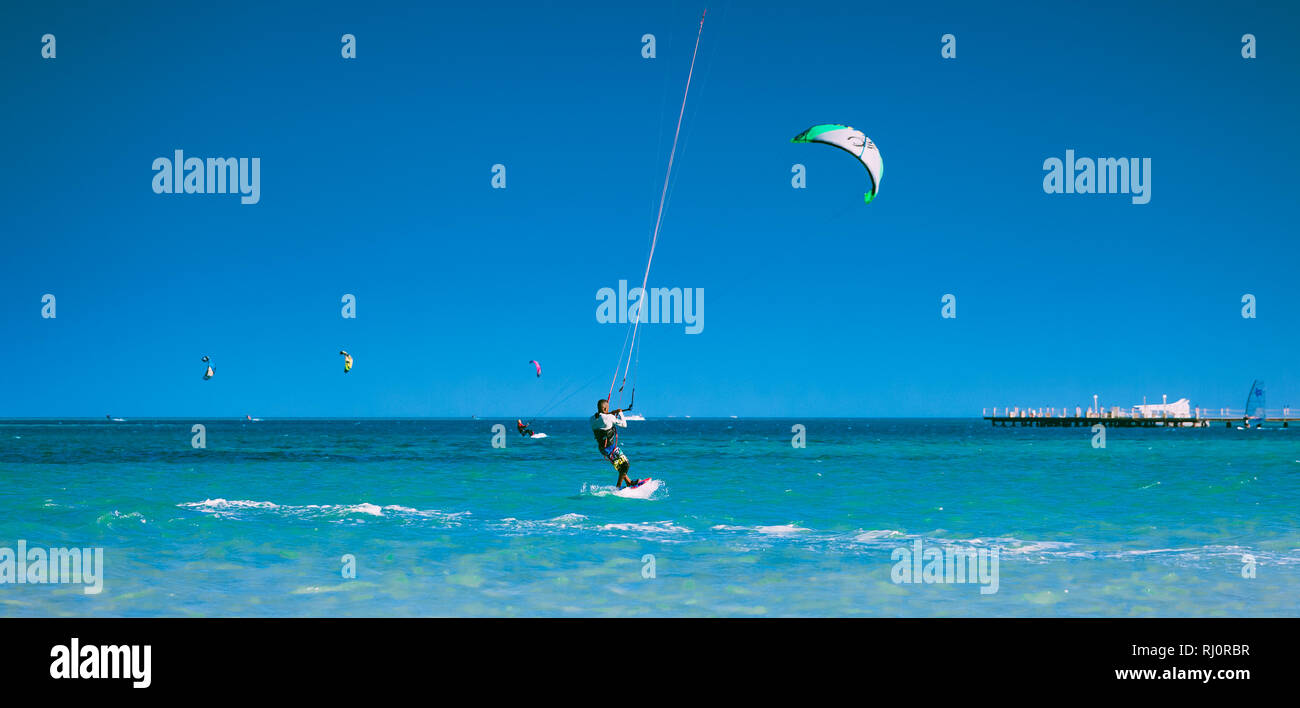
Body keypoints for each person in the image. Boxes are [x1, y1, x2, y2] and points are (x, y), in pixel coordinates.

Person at [591, 399, 642, 489]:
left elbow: (602, 417)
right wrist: (620, 413)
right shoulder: (609, 417)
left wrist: (610, 413)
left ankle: (629, 482)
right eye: (607, 408)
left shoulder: (592, 419)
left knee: (619, 465)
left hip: (602, 449)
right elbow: (624, 424)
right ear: (605, 408)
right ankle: (618, 487)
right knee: (625, 464)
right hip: (611, 448)